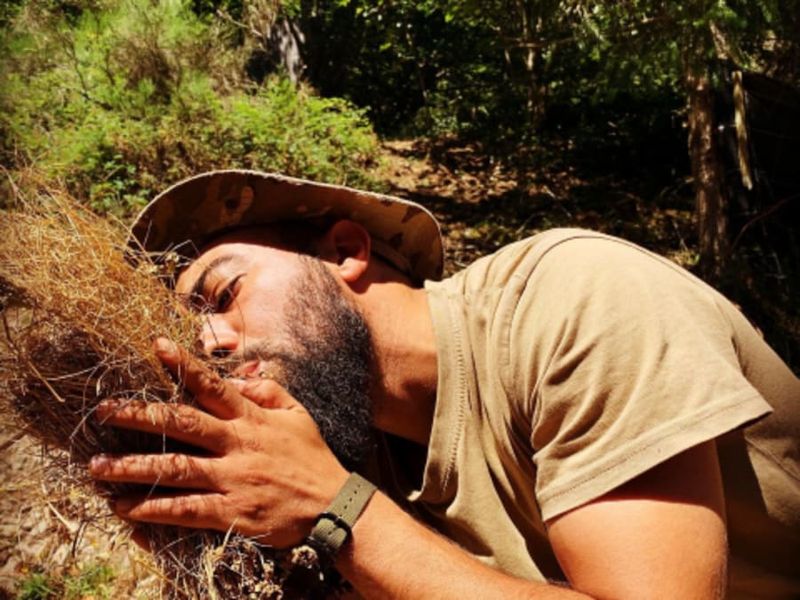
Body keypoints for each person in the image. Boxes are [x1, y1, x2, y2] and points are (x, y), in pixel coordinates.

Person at [90, 170, 800, 599]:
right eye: (191, 334)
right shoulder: (355, 453)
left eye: (222, 294)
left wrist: (334, 511)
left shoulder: (571, 300)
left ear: (345, 252)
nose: (210, 345)